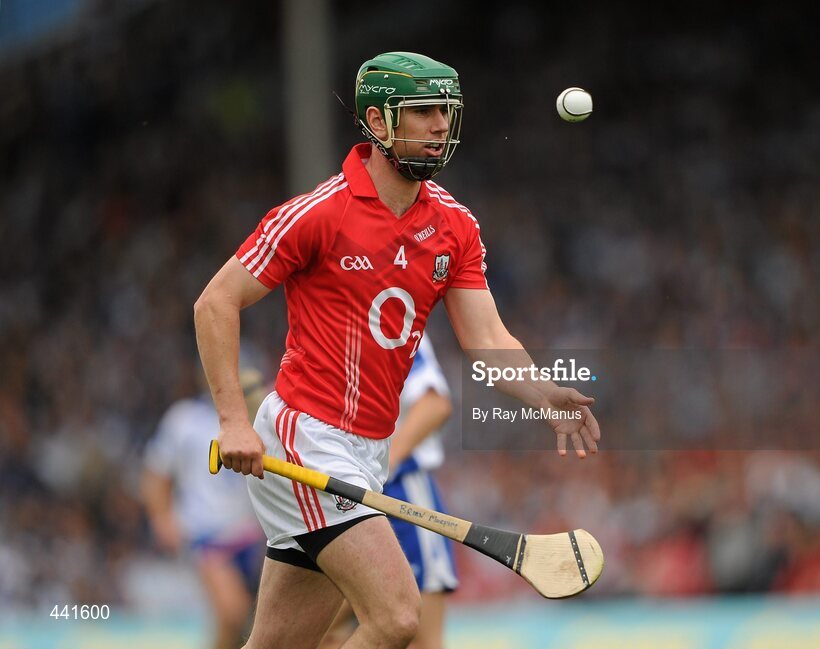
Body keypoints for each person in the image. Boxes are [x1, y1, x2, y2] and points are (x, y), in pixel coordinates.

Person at [194, 51, 601, 649]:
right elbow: (215, 303)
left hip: (368, 451)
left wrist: (540, 392)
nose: (440, 126)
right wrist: (232, 420)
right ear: (379, 123)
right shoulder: (318, 214)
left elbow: (487, 339)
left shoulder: (456, 226)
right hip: (305, 438)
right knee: (398, 618)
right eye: (423, 112)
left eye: (446, 112)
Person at [321, 333, 457, 649]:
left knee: (419, 638)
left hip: (399, 494)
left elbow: (434, 404)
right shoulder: (324, 326)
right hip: (343, 497)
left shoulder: (398, 326)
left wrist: (381, 469)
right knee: (322, 632)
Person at [141, 365, 267, 649]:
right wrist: (162, 518)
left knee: (252, 624)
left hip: (252, 537)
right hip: (207, 535)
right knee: (232, 615)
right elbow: (155, 474)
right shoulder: (184, 419)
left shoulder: (259, 417)